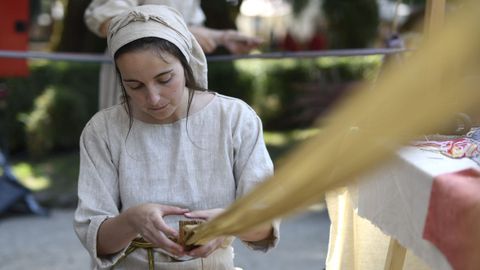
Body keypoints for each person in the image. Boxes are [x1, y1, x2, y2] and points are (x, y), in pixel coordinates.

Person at [74, 5, 279, 269]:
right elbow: (98, 243)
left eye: (164, 79)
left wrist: (230, 222)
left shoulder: (235, 118)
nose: (153, 98)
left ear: (186, 62)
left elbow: (265, 227)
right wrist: (133, 220)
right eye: (134, 85)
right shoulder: (103, 130)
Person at [85, 0, 263, 110]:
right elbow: (109, 21)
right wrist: (182, 30)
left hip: (175, 77)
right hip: (134, 71)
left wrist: (223, 37)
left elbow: (189, 28)